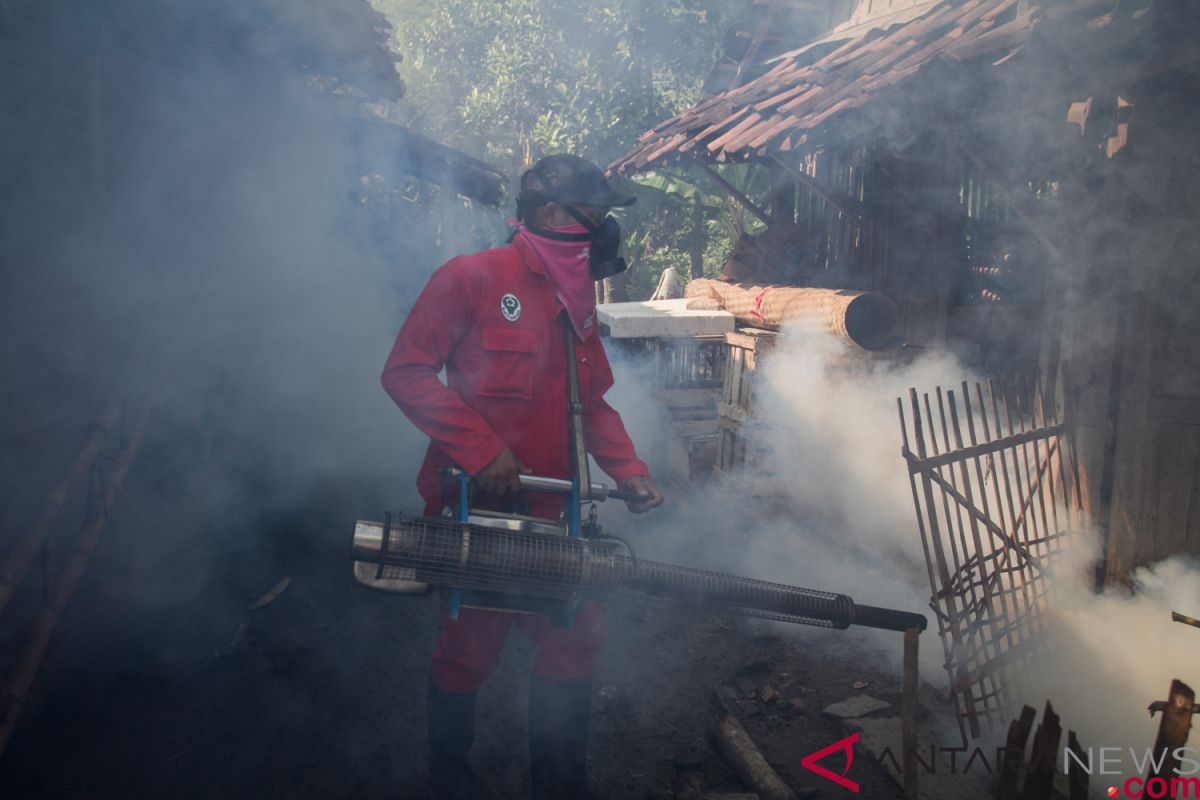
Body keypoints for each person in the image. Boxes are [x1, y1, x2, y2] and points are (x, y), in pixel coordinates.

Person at [381, 154, 664, 800]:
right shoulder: (471, 279)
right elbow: (405, 374)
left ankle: (560, 785)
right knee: (470, 650)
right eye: (597, 216)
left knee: (577, 631)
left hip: (555, 516)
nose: (604, 231)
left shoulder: (578, 300)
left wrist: (630, 471)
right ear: (554, 215)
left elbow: (590, 406)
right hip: (474, 510)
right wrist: (481, 449)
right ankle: (451, 783)